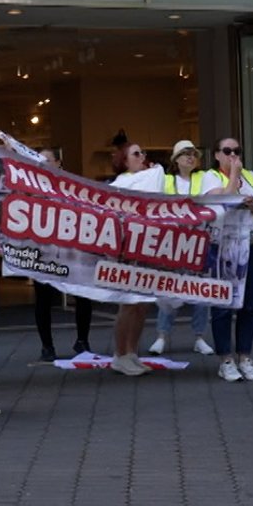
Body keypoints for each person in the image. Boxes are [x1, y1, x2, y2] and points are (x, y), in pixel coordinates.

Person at [197, 138, 253, 382]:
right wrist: (234, 177)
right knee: (222, 305)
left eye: (237, 151)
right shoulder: (210, 177)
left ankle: (244, 357)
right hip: (223, 249)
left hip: (252, 247)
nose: (232, 155)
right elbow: (223, 200)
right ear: (217, 155)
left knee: (249, 305)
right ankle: (225, 359)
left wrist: (252, 205)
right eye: (227, 151)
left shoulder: (252, 178)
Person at [105, 140, 165, 375]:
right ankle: (119, 354)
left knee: (142, 305)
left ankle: (132, 352)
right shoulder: (120, 185)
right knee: (128, 304)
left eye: (143, 152)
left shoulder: (150, 177)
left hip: (146, 248)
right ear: (124, 160)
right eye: (136, 154)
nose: (142, 157)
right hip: (127, 252)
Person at [151, 140, 216, 356]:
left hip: (198, 240)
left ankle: (199, 337)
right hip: (173, 242)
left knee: (200, 290)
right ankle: (162, 336)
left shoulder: (204, 177)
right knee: (168, 288)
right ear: (176, 159)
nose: (190, 157)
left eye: (193, 154)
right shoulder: (166, 181)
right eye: (185, 154)